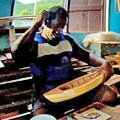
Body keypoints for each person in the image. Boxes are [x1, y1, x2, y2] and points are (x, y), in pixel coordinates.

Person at [12, 6, 117, 118]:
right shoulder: (34, 44)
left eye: (62, 27)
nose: (59, 31)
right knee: (42, 117)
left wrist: (105, 63)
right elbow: (16, 52)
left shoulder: (67, 40)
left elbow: (87, 56)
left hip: (73, 89)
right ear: (46, 23)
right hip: (48, 94)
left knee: (110, 95)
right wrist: (36, 25)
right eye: (56, 27)